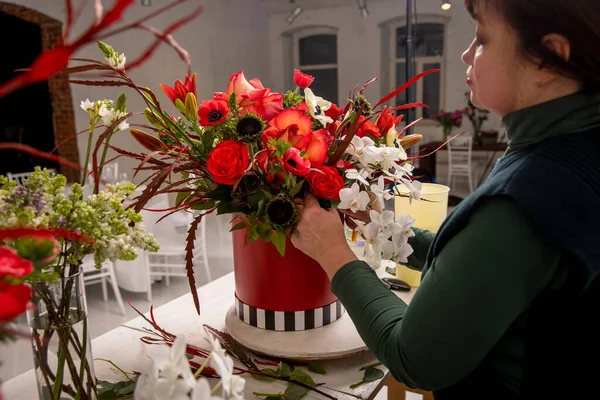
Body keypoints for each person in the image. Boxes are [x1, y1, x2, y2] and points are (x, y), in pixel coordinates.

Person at [292, 1, 600, 399]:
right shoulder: (575, 153)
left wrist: (333, 252)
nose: (466, 53)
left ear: (550, 60)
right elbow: (480, 270)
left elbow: (414, 358)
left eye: (483, 38)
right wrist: (380, 226)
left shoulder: (528, 199)